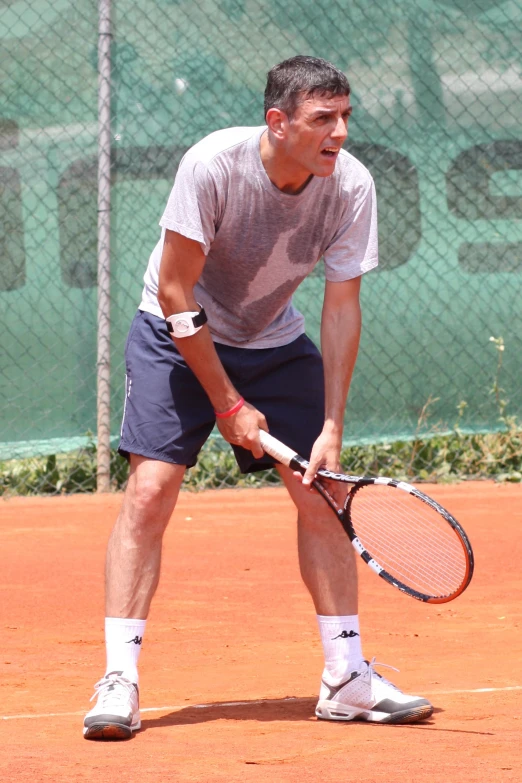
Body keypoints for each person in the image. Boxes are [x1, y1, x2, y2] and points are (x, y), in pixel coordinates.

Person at [83, 55, 433, 740]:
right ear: (278, 122)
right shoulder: (212, 165)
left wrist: (332, 422)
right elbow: (179, 292)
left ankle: (346, 678)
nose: (340, 133)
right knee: (152, 488)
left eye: (345, 118)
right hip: (175, 331)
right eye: (322, 120)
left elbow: (340, 309)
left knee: (322, 492)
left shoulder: (351, 185)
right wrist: (227, 402)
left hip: (273, 339)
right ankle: (119, 677)